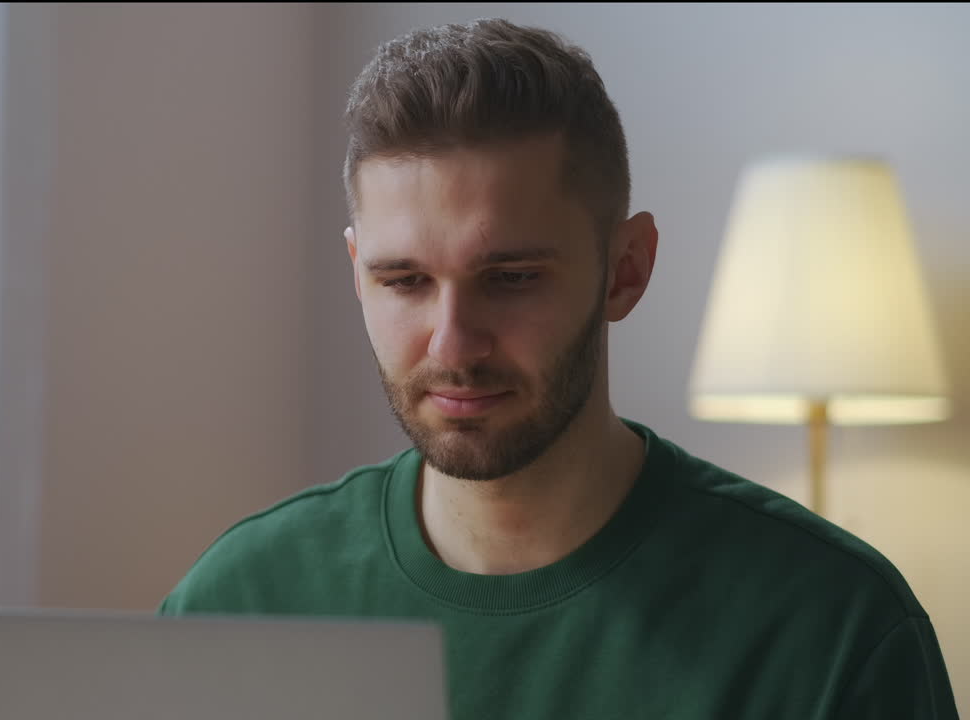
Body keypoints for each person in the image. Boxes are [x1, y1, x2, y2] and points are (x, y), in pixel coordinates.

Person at [159, 17, 960, 720]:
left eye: (509, 279)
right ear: (355, 271)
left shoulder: (830, 628)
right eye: (403, 281)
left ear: (626, 270)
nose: (450, 345)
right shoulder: (245, 600)